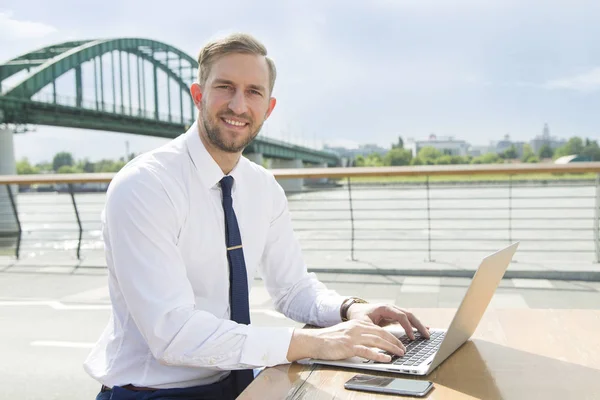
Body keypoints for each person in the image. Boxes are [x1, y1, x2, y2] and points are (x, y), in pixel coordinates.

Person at [84, 33, 430, 400]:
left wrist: (350, 311)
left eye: (253, 92)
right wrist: (315, 342)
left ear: (269, 107)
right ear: (198, 95)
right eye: (225, 87)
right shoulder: (145, 186)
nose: (238, 105)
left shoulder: (262, 186)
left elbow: (293, 288)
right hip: (152, 392)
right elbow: (173, 334)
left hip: (238, 380)